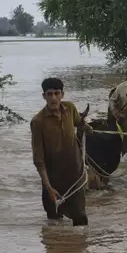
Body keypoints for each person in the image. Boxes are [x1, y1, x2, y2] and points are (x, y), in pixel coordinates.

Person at [30, 77, 93, 226]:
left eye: (57, 93)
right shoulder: (37, 122)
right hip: (53, 181)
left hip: (75, 176)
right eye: (49, 94)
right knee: (54, 224)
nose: (53, 98)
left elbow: (79, 122)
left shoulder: (70, 108)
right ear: (43, 96)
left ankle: (79, 249)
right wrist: (49, 187)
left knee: (81, 220)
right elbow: (39, 160)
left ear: (62, 95)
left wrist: (90, 130)